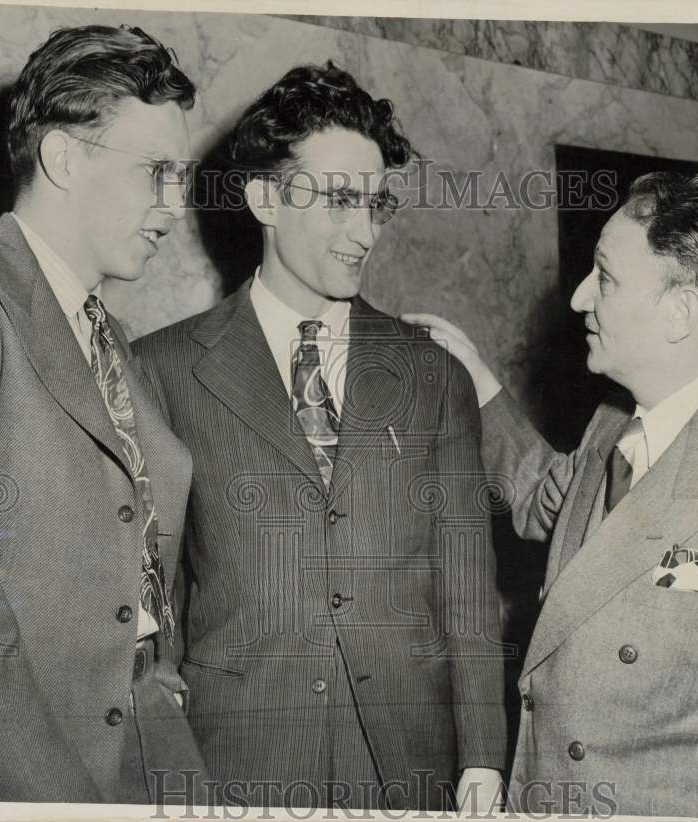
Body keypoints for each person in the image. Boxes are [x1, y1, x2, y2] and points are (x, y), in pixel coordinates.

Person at [405, 172, 698, 819]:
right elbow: (546, 505)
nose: (580, 298)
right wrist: (474, 378)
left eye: (605, 278)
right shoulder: (614, 421)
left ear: (681, 312)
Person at [135, 62, 506, 811]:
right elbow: (154, 598)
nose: (365, 231)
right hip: (236, 759)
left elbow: (467, 588)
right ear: (265, 197)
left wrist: (484, 757)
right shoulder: (161, 370)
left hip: (409, 762)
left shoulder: (433, 376)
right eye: (340, 200)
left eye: (377, 204)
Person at [0, 24, 210, 804]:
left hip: (142, 754)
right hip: (11, 777)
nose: (174, 206)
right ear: (62, 157)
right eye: (156, 171)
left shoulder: (112, 341)